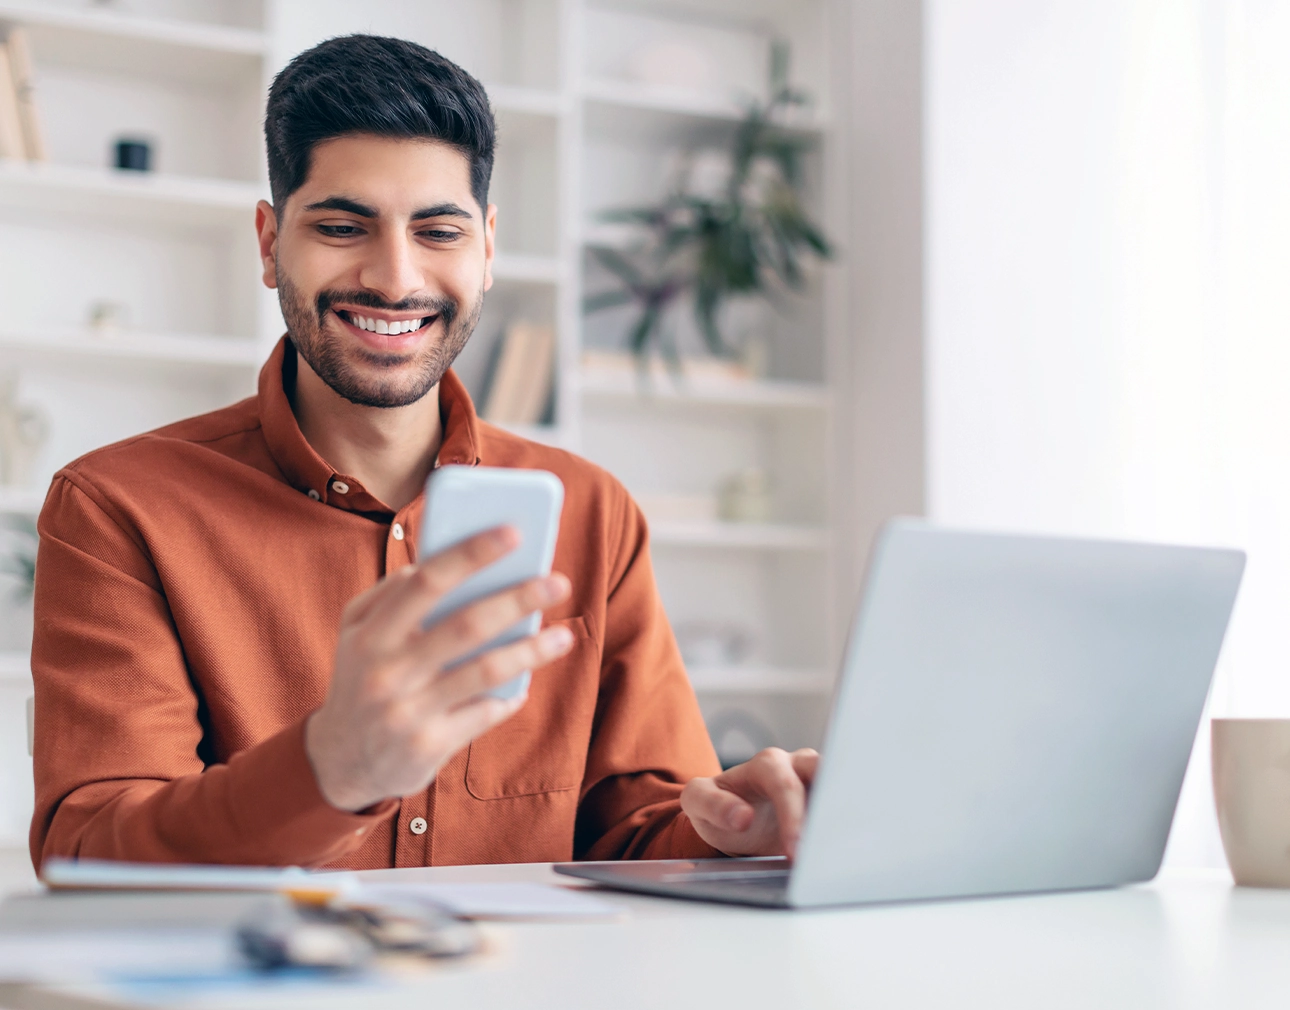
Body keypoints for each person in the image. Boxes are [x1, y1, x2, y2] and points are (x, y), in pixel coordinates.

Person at [29, 35, 817, 872]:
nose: (395, 278)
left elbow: (635, 827)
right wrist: (329, 767)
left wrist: (735, 831)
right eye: (341, 225)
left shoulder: (594, 512)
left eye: (439, 231)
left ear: (486, 248)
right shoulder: (117, 506)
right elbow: (91, 852)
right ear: (269, 243)